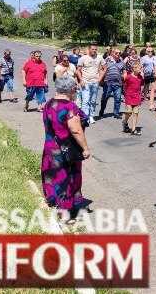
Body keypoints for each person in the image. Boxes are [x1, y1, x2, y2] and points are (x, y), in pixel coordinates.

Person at [41, 75, 91, 221]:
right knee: (66, 178)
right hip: (66, 150)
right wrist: (85, 148)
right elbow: (75, 130)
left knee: (53, 175)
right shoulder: (69, 107)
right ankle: (66, 212)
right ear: (71, 89)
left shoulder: (49, 103)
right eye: (75, 88)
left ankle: (53, 202)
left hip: (51, 148)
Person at [76, 44, 103, 124]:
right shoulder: (83, 58)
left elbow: (104, 68)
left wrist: (100, 79)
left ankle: (91, 116)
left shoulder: (99, 57)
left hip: (95, 82)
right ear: (89, 49)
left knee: (93, 100)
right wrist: (81, 80)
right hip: (86, 82)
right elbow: (78, 70)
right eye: (92, 49)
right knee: (86, 100)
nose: (94, 51)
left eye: (95, 49)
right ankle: (85, 117)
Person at [99, 48, 124, 119]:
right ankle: (102, 111)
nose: (118, 54)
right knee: (105, 98)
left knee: (118, 98)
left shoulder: (121, 61)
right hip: (108, 83)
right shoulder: (107, 60)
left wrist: (124, 77)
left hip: (118, 83)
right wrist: (101, 80)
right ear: (112, 53)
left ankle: (116, 113)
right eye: (116, 53)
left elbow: (124, 71)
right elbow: (101, 69)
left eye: (119, 53)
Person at [122, 61, 144, 135]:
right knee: (129, 111)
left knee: (136, 112)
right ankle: (125, 121)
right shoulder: (128, 77)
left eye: (140, 68)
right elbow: (125, 86)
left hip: (137, 96)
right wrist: (125, 95)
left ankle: (134, 129)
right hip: (129, 96)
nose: (140, 70)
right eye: (139, 68)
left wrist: (141, 95)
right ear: (134, 69)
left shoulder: (140, 77)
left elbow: (141, 86)